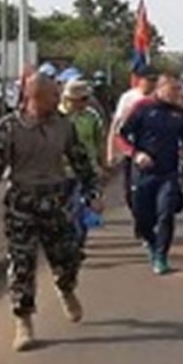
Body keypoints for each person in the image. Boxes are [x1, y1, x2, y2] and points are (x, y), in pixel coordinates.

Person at [0, 74, 101, 351]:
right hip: (22, 203)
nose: (58, 100)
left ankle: (65, 286)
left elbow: (80, 161)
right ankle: (23, 321)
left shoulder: (64, 126)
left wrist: (93, 193)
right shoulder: (9, 127)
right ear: (34, 97)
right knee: (21, 263)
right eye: (53, 95)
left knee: (69, 256)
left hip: (56, 201)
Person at [117, 74, 183, 275]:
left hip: (168, 172)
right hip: (143, 172)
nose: (177, 95)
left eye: (178, 90)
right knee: (142, 217)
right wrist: (136, 154)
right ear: (160, 89)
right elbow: (121, 136)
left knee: (166, 213)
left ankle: (161, 255)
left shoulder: (180, 113)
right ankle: (151, 242)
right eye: (173, 90)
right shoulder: (142, 107)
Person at [60, 79, 106, 247]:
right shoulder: (57, 117)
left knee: (81, 207)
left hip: (85, 171)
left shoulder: (92, 116)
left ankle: (77, 241)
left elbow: (98, 142)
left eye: (86, 98)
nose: (85, 102)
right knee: (64, 209)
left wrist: (101, 164)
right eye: (81, 99)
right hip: (61, 171)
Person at [108, 64, 159, 211]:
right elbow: (116, 126)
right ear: (139, 80)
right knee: (131, 190)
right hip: (130, 148)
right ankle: (138, 213)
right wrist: (110, 151)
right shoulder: (128, 97)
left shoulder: (159, 97)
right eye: (149, 79)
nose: (151, 83)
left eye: (154, 80)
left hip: (152, 148)